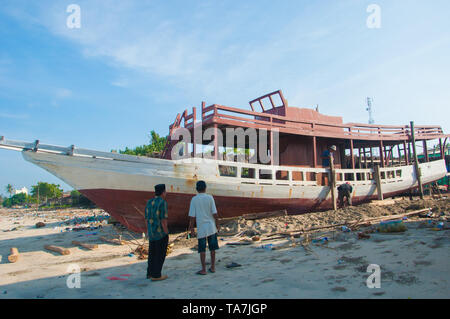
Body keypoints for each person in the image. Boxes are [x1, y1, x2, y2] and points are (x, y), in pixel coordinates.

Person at [188, 181, 220, 275]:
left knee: (202, 249)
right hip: (211, 226)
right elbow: (215, 213)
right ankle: (213, 267)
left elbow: (192, 217)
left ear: (197, 189)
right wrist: (217, 224)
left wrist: (191, 229)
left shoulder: (194, 199)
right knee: (212, 248)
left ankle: (203, 269)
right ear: (205, 188)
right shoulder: (210, 197)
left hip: (201, 227)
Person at [145, 184, 169, 281]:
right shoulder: (162, 203)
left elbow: (146, 219)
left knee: (152, 254)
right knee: (160, 254)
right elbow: (163, 219)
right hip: (160, 233)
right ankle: (157, 275)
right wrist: (166, 232)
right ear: (163, 192)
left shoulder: (149, 202)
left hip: (151, 232)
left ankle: (149, 273)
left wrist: (148, 231)